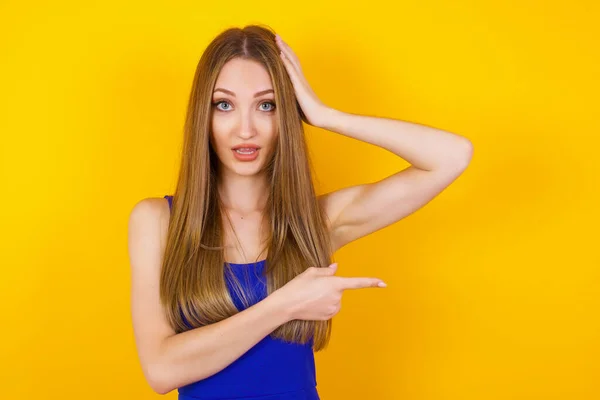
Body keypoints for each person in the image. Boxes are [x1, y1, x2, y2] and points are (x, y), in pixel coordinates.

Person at [127, 24, 473, 399]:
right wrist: (286, 303)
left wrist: (326, 116)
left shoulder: (315, 224)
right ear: (203, 116)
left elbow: (452, 157)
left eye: (267, 105)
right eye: (224, 104)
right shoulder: (158, 221)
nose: (246, 129)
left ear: (287, 115)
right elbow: (161, 370)